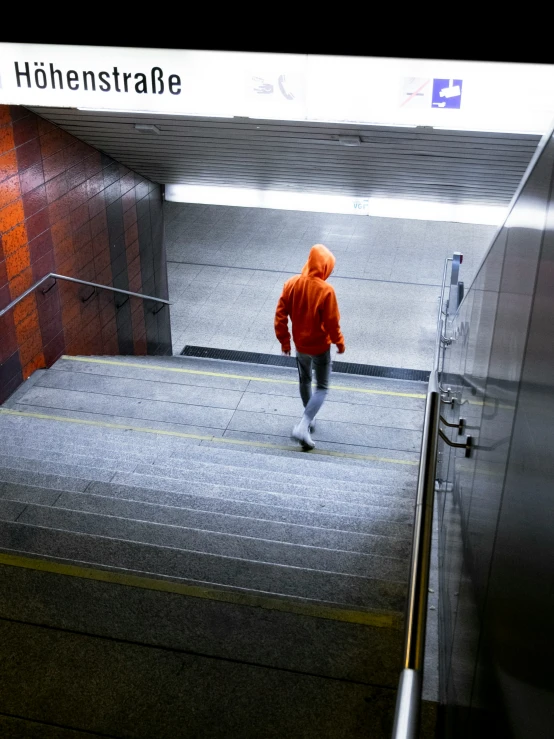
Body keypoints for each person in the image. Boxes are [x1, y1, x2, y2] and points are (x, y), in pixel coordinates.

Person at [274, 243, 345, 450]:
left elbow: (280, 316)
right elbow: (332, 323)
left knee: (305, 380)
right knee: (322, 387)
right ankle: (304, 424)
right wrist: (339, 343)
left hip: (300, 346)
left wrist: (284, 341)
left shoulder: (291, 283)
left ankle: (309, 417)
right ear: (325, 267)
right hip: (320, 347)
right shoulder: (326, 290)